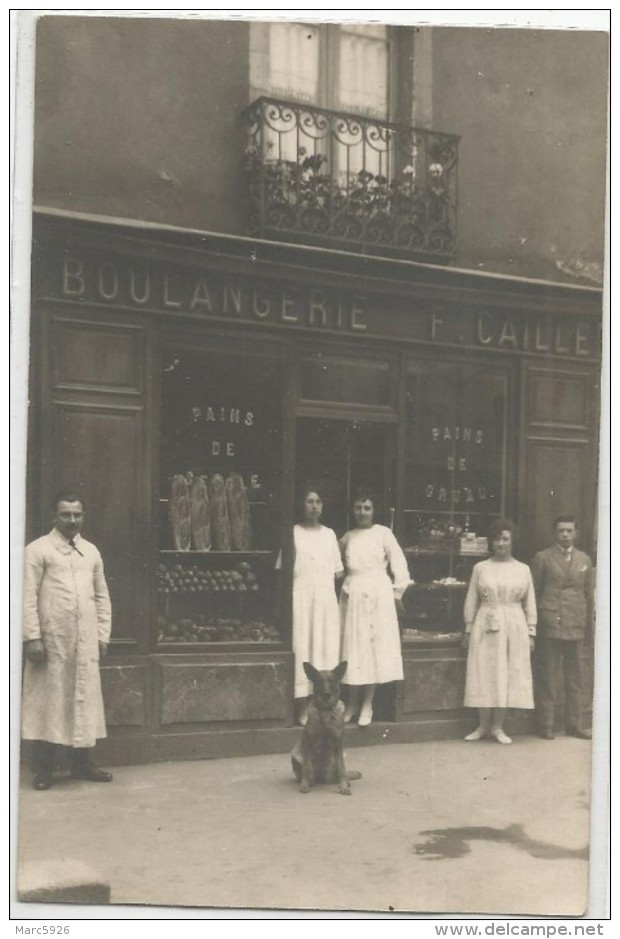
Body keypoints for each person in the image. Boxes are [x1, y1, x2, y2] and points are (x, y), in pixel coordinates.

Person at [21, 492, 113, 790]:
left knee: (83, 700)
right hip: (52, 642)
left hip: (85, 642)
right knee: (49, 702)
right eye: (65, 515)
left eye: (77, 515)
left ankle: (82, 765)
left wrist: (102, 634)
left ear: (83, 517)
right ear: (54, 516)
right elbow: (26, 597)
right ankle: (44, 769)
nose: (72, 520)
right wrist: (32, 637)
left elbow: (101, 597)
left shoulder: (91, 552)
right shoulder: (38, 550)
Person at [339, 489, 411, 727]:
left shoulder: (383, 533)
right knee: (353, 648)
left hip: (379, 594)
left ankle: (368, 703)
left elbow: (399, 563)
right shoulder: (347, 537)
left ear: (374, 511)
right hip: (353, 594)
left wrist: (397, 592)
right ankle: (351, 702)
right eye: (358, 508)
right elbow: (333, 563)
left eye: (367, 508)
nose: (362, 512)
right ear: (353, 510)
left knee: (372, 648)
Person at [462, 518, 537, 744]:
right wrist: (468, 627)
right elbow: (471, 600)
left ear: (512, 542)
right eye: (497, 539)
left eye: (505, 539)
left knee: (507, 672)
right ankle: (483, 725)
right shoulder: (480, 568)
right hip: (486, 623)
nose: (501, 543)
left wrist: (531, 631)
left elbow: (530, 602)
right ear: (491, 542)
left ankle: (497, 727)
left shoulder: (522, 569)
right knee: (484, 672)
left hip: (513, 624)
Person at [531, 514, 595, 740]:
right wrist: (540, 620)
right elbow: (534, 593)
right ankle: (545, 725)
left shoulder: (584, 560)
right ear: (554, 533)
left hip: (575, 625)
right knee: (548, 677)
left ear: (575, 533)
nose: (565, 534)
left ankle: (574, 725)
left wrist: (588, 628)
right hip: (551, 624)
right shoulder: (543, 558)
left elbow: (588, 595)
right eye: (561, 531)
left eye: (569, 530)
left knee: (575, 678)